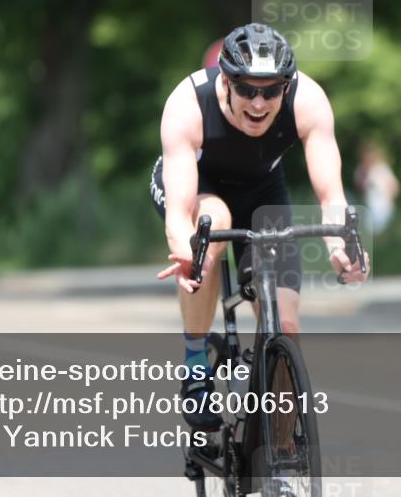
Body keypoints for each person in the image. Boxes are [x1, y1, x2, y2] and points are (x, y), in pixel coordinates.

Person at [150, 23, 369, 430]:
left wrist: (340, 248)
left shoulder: (309, 101)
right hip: (200, 186)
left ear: (286, 87)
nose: (258, 102)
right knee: (214, 225)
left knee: (285, 325)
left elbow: (331, 197)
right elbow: (180, 212)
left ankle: (284, 465)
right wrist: (185, 247)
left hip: (262, 189)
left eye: (270, 91)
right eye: (247, 89)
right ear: (227, 81)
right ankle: (196, 364)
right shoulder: (188, 103)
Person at [354, 141, 400, 235]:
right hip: (369, 207)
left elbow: (395, 187)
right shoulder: (361, 170)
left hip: (383, 208)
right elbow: (359, 190)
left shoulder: (382, 169)